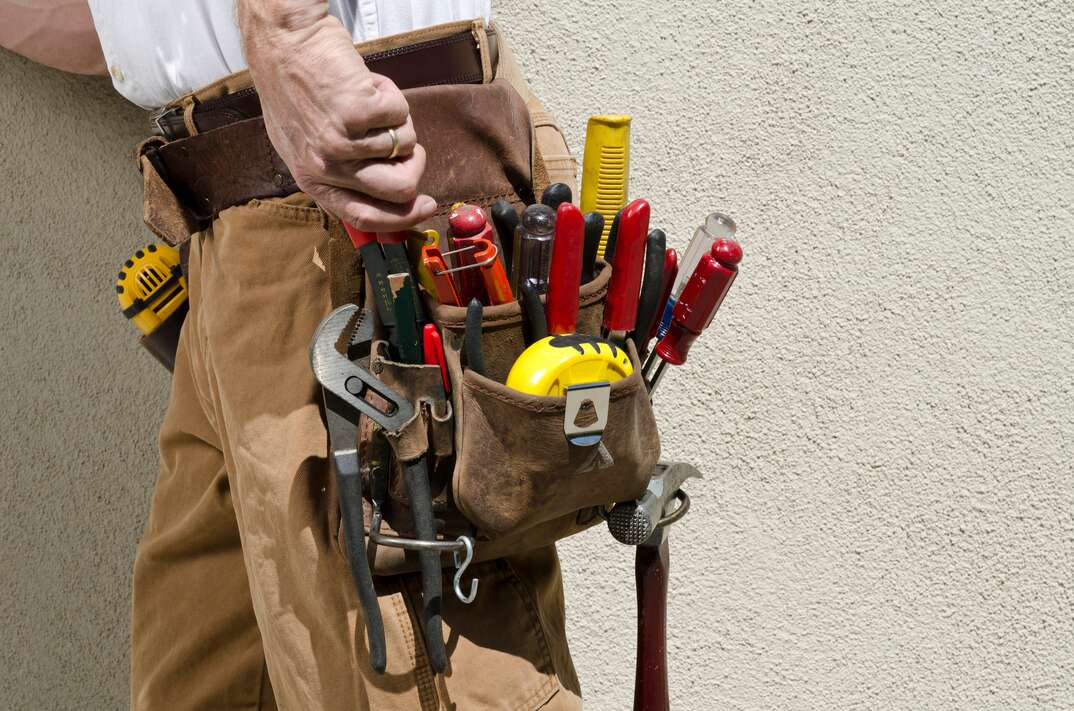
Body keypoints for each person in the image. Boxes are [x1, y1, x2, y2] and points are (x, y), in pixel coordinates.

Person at [1, 1, 581, 709]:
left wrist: (289, 30)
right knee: (197, 680)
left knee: (415, 673)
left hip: (353, 184)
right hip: (231, 222)